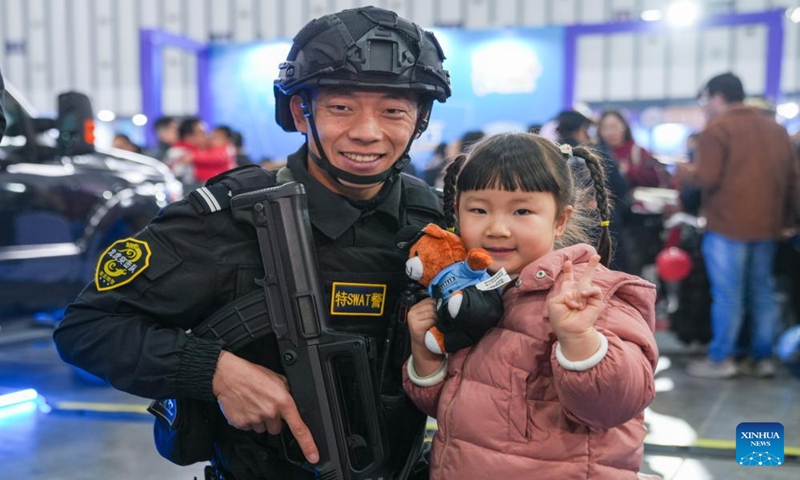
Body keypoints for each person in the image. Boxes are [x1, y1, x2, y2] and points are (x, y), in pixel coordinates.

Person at [53, 6, 451, 480]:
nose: (368, 132)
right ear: (301, 112)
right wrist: (215, 371)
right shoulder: (229, 216)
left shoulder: (442, 222)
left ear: (420, 119)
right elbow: (88, 327)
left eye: (393, 111)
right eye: (341, 107)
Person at [403, 132, 658, 479]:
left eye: (522, 210)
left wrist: (579, 339)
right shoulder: (469, 294)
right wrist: (425, 354)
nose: (497, 228)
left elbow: (614, 406)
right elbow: (452, 410)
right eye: (478, 209)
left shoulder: (587, 297)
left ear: (560, 220)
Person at [675, 72, 800, 379]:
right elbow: (793, 181)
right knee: (762, 293)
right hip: (769, 227)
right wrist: (791, 220)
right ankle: (763, 359)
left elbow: (706, 177)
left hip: (727, 227)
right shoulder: (776, 130)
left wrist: (683, 170)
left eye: (705, 99)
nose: (705, 106)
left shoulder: (717, 130)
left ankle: (721, 359)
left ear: (717, 97)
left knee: (728, 295)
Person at [555, 109, 629, 272]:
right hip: (602, 226)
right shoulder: (595, 154)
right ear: (582, 130)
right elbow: (621, 188)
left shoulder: (550, 156)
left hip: (562, 229)